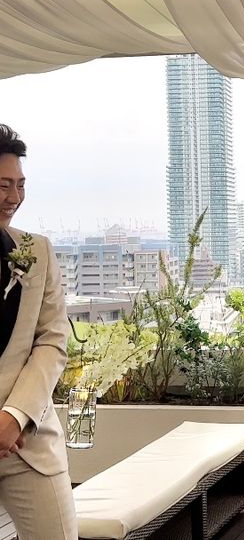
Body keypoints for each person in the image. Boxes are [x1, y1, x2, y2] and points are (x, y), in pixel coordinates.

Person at [0, 124, 77, 539]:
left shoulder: (37, 251)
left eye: (20, 185)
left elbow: (52, 339)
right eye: (3, 186)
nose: (14, 197)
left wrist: (13, 417)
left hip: (28, 441)